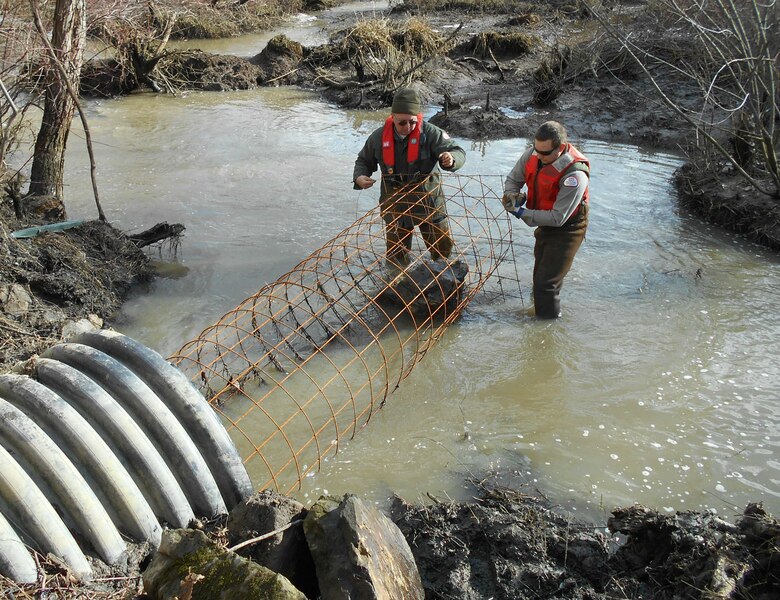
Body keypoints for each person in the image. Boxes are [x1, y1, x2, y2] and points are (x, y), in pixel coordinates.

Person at [353, 87, 466, 270]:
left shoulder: (431, 134)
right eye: (402, 123)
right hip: (395, 205)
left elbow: (458, 151)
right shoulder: (378, 137)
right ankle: (397, 284)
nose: (407, 127)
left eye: (412, 122)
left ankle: (444, 284)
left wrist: (451, 160)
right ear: (393, 117)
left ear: (418, 117)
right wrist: (359, 177)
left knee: (442, 253)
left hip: (429, 203)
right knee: (396, 259)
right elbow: (363, 160)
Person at [502, 121, 590, 319]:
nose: (538, 156)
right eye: (536, 150)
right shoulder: (535, 153)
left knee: (546, 284)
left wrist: (519, 212)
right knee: (540, 275)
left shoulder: (575, 174)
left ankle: (545, 329)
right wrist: (512, 195)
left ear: (559, 148)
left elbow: (558, 218)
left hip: (569, 227)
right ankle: (541, 313)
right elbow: (513, 179)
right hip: (544, 221)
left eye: (545, 153)